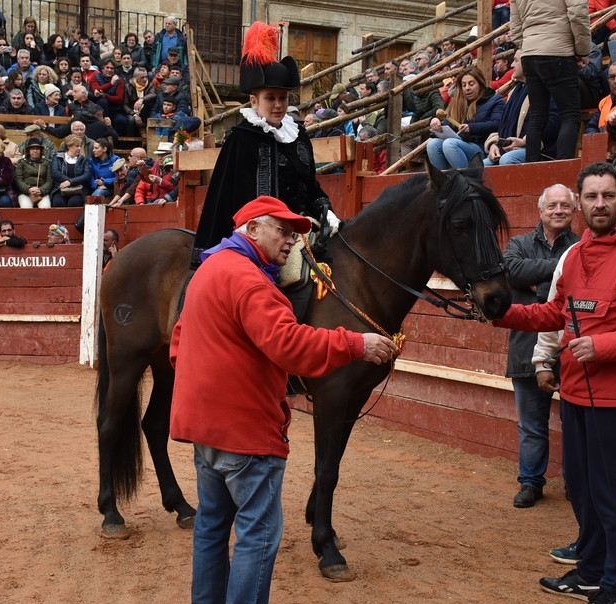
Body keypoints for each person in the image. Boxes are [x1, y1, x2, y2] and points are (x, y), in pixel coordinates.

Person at [170, 195, 396, 604]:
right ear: (252, 229)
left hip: (204, 428)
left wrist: (205, 381)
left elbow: (178, 343)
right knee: (257, 536)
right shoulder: (253, 281)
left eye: (296, 233)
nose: (292, 240)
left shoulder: (211, 267)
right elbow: (290, 346)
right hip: (246, 433)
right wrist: (355, 344)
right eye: (283, 230)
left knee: (211, 527)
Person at [495, 162, 616, 604]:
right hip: (577, 394)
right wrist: (499, 311)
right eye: (591, 197)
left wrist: (605, 346)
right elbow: (552, 313)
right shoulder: (577, 254)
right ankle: (591, 572)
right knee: (582, 490)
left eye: (608, 196)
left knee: (615, 499)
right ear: (579, 203)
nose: (599, 204)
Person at [191, 21, 337, 266]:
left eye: (283, 97)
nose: (278, 105)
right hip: (259, 237)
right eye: (270, 98)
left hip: (303, 227)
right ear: (254, 102)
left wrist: (326, 210)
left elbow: (310, 187)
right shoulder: (241, 138)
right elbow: (227, 200)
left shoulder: (298, 134)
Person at [503, 184, 580, 508]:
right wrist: (562, 272)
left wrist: (538, 283)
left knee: (578, 427)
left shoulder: (582, 245)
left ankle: (578, 485)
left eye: (565, 205)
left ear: (574, 210)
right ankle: (531, 483)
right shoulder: (519, 243)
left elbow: (523, 275)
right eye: (553, 205)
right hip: (526, 347)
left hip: (574, 351)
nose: (559, 210)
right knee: (532, 425)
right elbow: (509, 270)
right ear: (541, 209)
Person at [510, 0, 591, 161]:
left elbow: (515, 28)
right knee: (570, 115)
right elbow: (578, 14)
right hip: (558, 51)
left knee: (537, 116)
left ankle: (531, 168)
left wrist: (529, 46)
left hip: (529, 54)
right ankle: (563, 169)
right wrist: (582, 50)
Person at [485, 49, 560, 166]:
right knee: (483, 166)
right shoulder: (515, 90)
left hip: (539, 152)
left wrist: (524, 142)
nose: (512, 65)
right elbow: (502, 126)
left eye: (515, 60)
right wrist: (494, 144)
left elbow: (554, 121)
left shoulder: (546, 88)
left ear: (528, 62)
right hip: (510, 149)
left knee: (507, 160)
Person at [427, 67, 505, 170]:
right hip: (460, 142)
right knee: (432, 144)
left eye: (471, 84)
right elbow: (447, 123)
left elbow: (497, 124)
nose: (467, 88)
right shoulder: (458, 103)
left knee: (449, 144)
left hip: (482, 147)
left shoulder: (496, 100)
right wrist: (435, 121)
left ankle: (466, 182)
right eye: (464, 85)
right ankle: (445, 183)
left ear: (480, 85)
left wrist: (471, 128)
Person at [50, 134, 91, 207]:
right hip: (60, 189)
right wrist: (70, 182)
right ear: (69, 146)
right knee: (58, 203)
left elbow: (86, 175)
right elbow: (55, 172)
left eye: (80, 146)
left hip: (78, 190)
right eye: (77, 146)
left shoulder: (84, 160)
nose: (79, 148)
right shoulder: (57, 157)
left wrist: (71, 182)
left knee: (73, 203)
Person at [13, 138, 53, 208]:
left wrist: (41, 190)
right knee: (26, 207)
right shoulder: (21, 163)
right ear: (28, 151)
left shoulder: (47, 163)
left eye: (37, 149)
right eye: (32, 149)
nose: (35, 151)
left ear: (41, 151)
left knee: (45, 207)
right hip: (25, 193)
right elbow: (18, 179)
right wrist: (28, 189)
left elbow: (50, 180)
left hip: (42, 193)